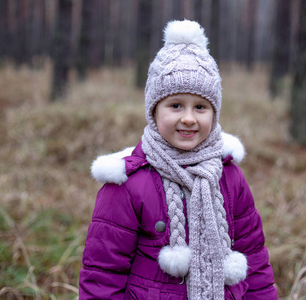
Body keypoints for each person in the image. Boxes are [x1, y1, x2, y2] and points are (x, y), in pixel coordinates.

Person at [79, 20, 278, 299]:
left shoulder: (229, 176)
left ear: (214, 113)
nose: (188, 118)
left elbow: (254, 257)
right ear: (154, 111)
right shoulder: (127, 184)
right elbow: (103, 273)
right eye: (175, 105)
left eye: (200, 107)